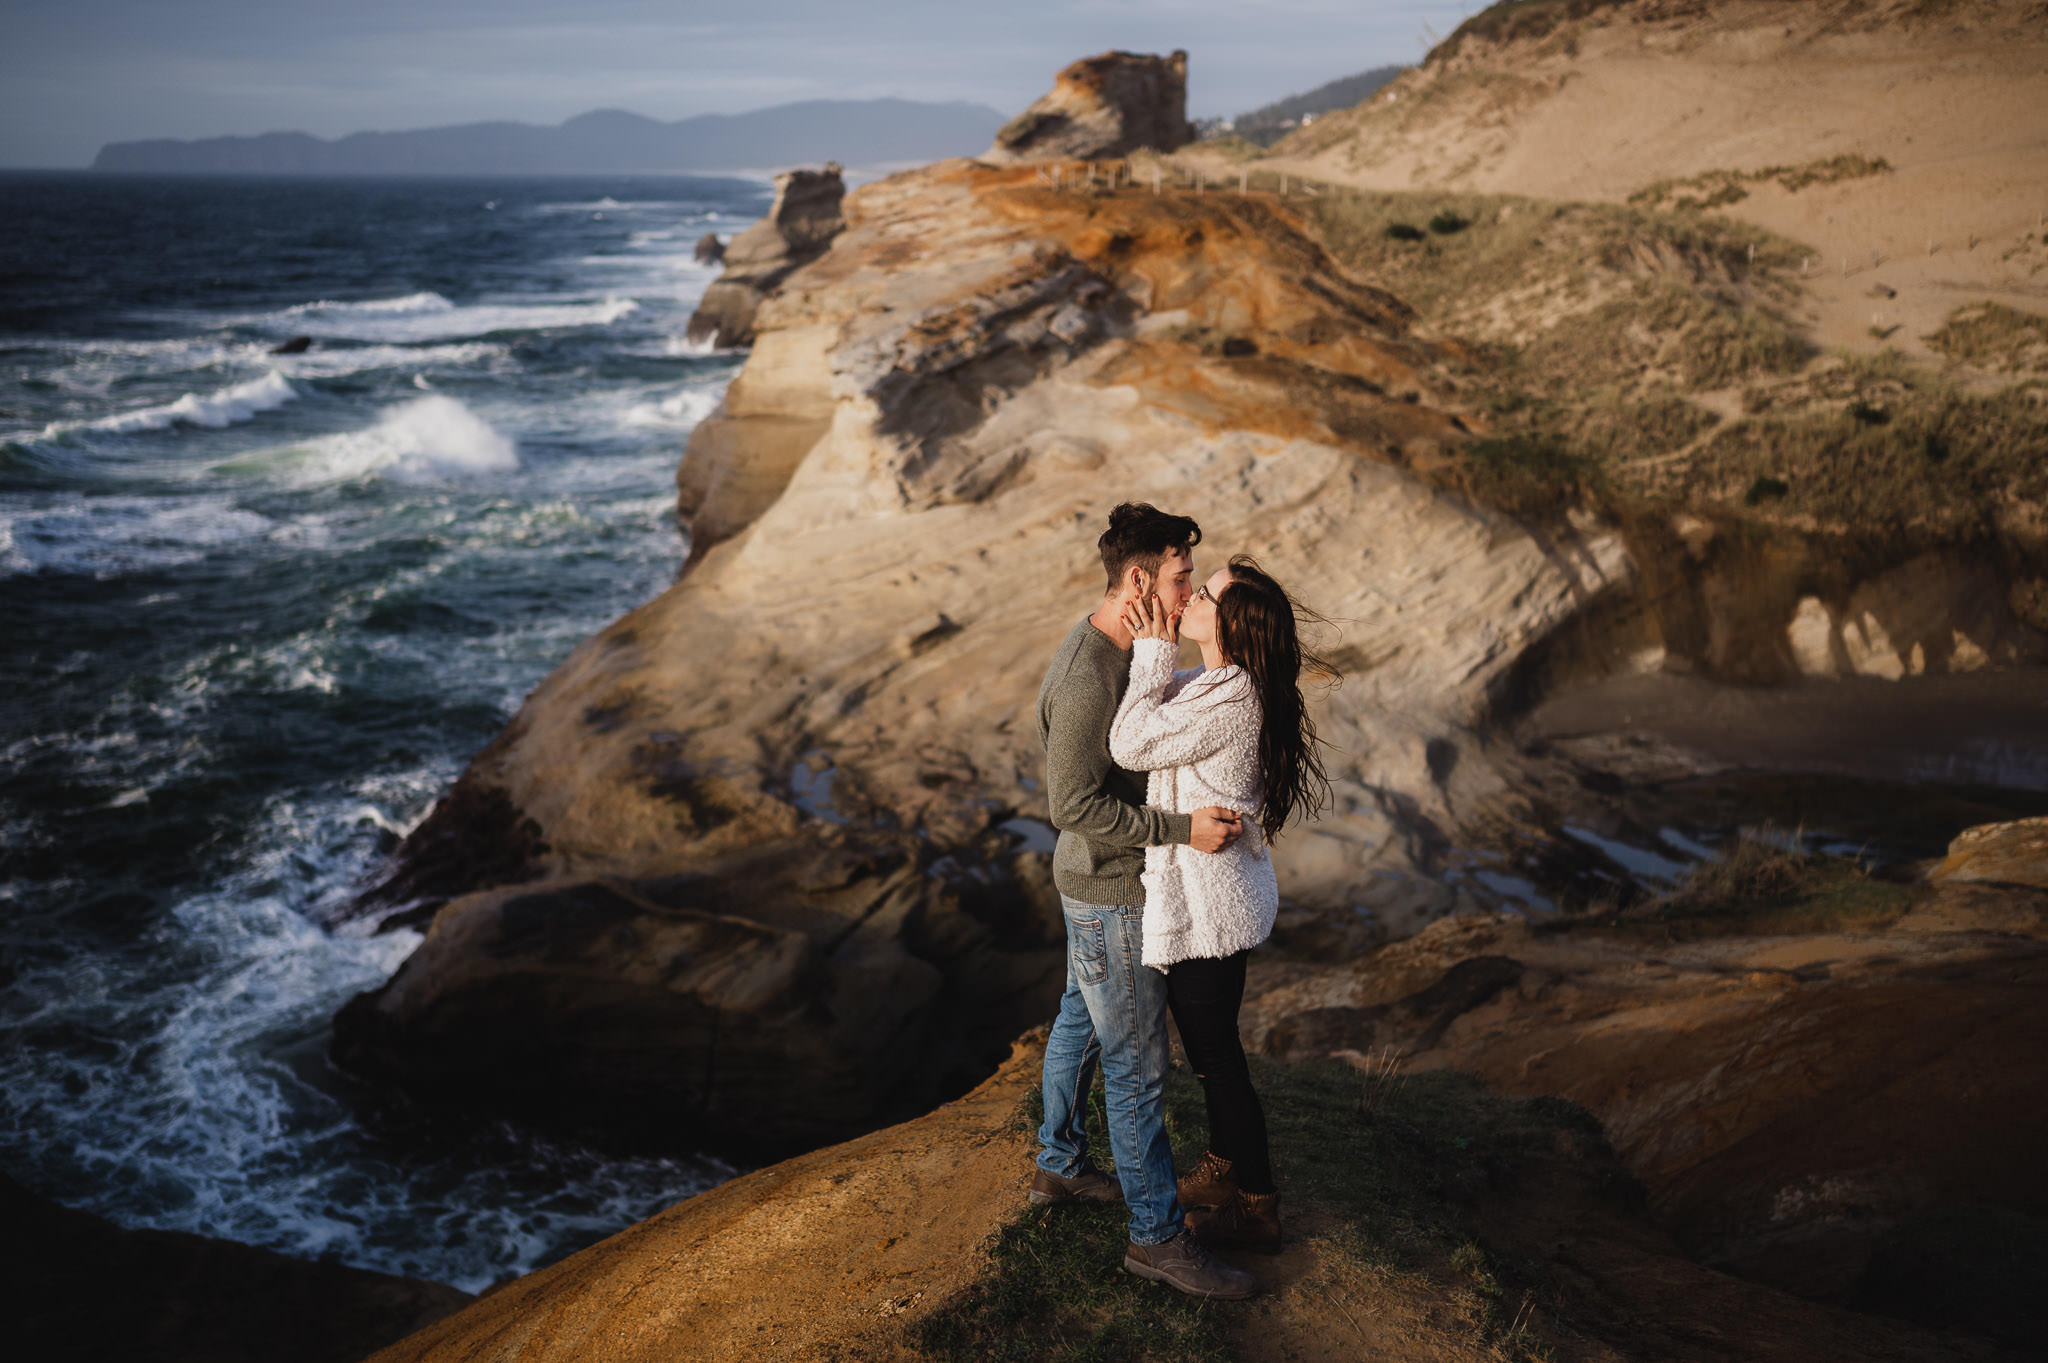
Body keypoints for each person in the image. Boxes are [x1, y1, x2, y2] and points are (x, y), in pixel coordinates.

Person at [1031, 503, 1259, 1302]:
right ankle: (1157, 1239)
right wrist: (1182, 829)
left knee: (1078, 1018)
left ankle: (1058, 1167)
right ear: (1139, 579)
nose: (1190, 587)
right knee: (1136, 1069)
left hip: (1097, 884)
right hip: (1112, 894)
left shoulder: (1121, 652)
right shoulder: (1090, 676)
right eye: (1181, 576)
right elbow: (1072, 806)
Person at [1108, 554, 1334, 1254]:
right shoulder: (1224, 682)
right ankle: (1226, 1169)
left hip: (1210, 908)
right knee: (1213, 1057)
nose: (1193, 597)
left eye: (1204, 594)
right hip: (1211, 900)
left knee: (1217, 1061)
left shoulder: (1233, 694)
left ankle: (1257, 1203)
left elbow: (1130, 741)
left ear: (1230, 624)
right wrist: (1153, 652)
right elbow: (1154, 706)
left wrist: (1152, 648)